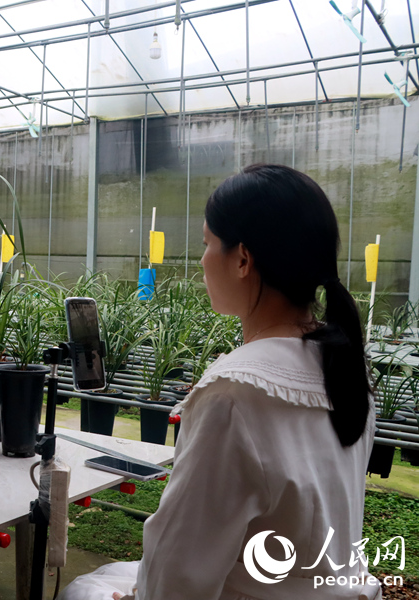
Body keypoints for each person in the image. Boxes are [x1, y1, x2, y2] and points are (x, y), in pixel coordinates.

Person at [59, 165, 380, 600]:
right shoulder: (345, 368)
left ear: (243, 259)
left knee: (82, 590)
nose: (203, 259)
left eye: (208, 244)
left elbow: (177, 574)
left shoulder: (234, 395)